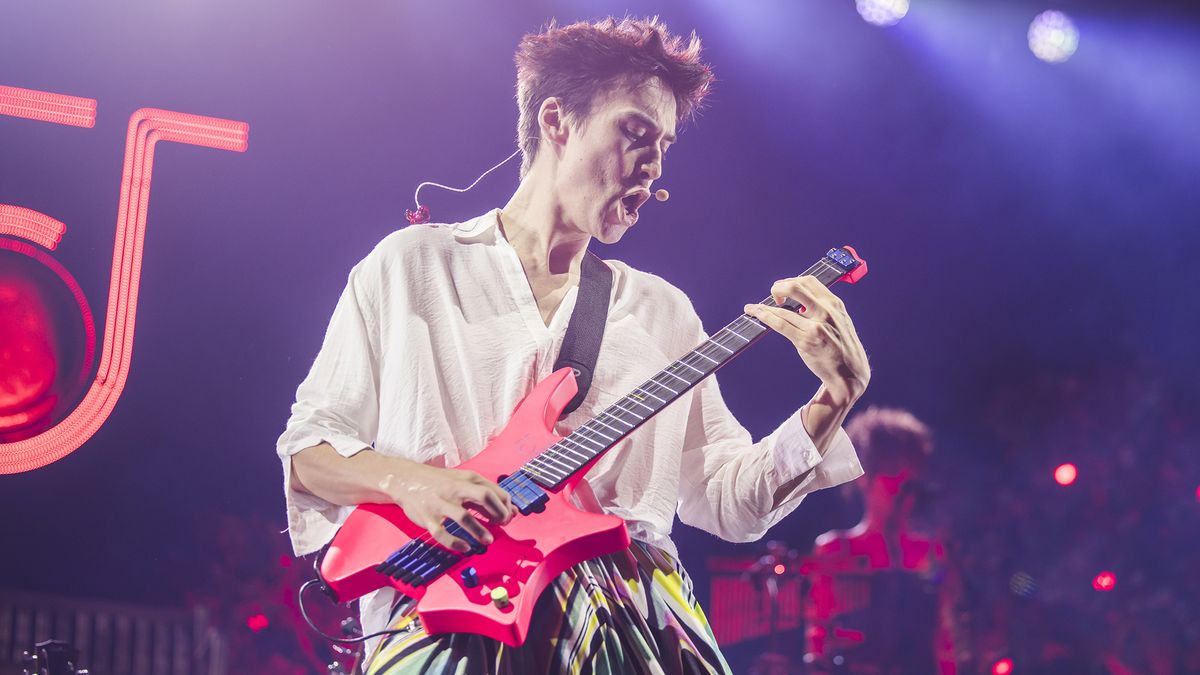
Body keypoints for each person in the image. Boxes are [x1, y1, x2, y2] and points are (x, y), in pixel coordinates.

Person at [276, 16, 870, 674]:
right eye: (636, 134)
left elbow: (729, 500)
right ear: (557, 120)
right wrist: (414, 484)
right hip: (447, 614)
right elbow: (309, 454)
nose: (654, 167)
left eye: (665, 147)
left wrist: (831, 401)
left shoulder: (662, 312)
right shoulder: (411, 267)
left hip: (624, 623)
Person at [803, 407, 959, 675]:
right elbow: (818, 639)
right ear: (864, 478)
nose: (902, 494)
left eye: (908, 482)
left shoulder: (930, 551)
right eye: (892, 480)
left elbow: (945, 638)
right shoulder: (834, 551)